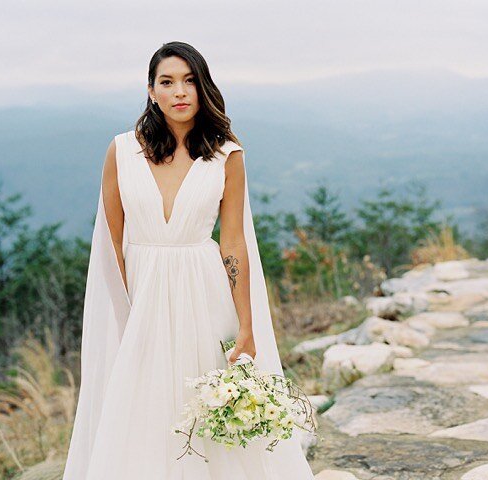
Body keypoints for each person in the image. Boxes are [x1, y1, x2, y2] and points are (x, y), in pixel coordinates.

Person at [62, 41, 316, 479]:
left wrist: (247, 326)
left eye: (190, 80)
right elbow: (112, 242)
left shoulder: (226, 155)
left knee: (204, 401)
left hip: (203, 293)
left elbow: (233, 243)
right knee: (142, 401)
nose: (179, 91)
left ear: (203, 88)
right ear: (151, 90)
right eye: (167, 81)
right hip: (140, 294)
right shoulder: (122, 151)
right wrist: (123, 311)